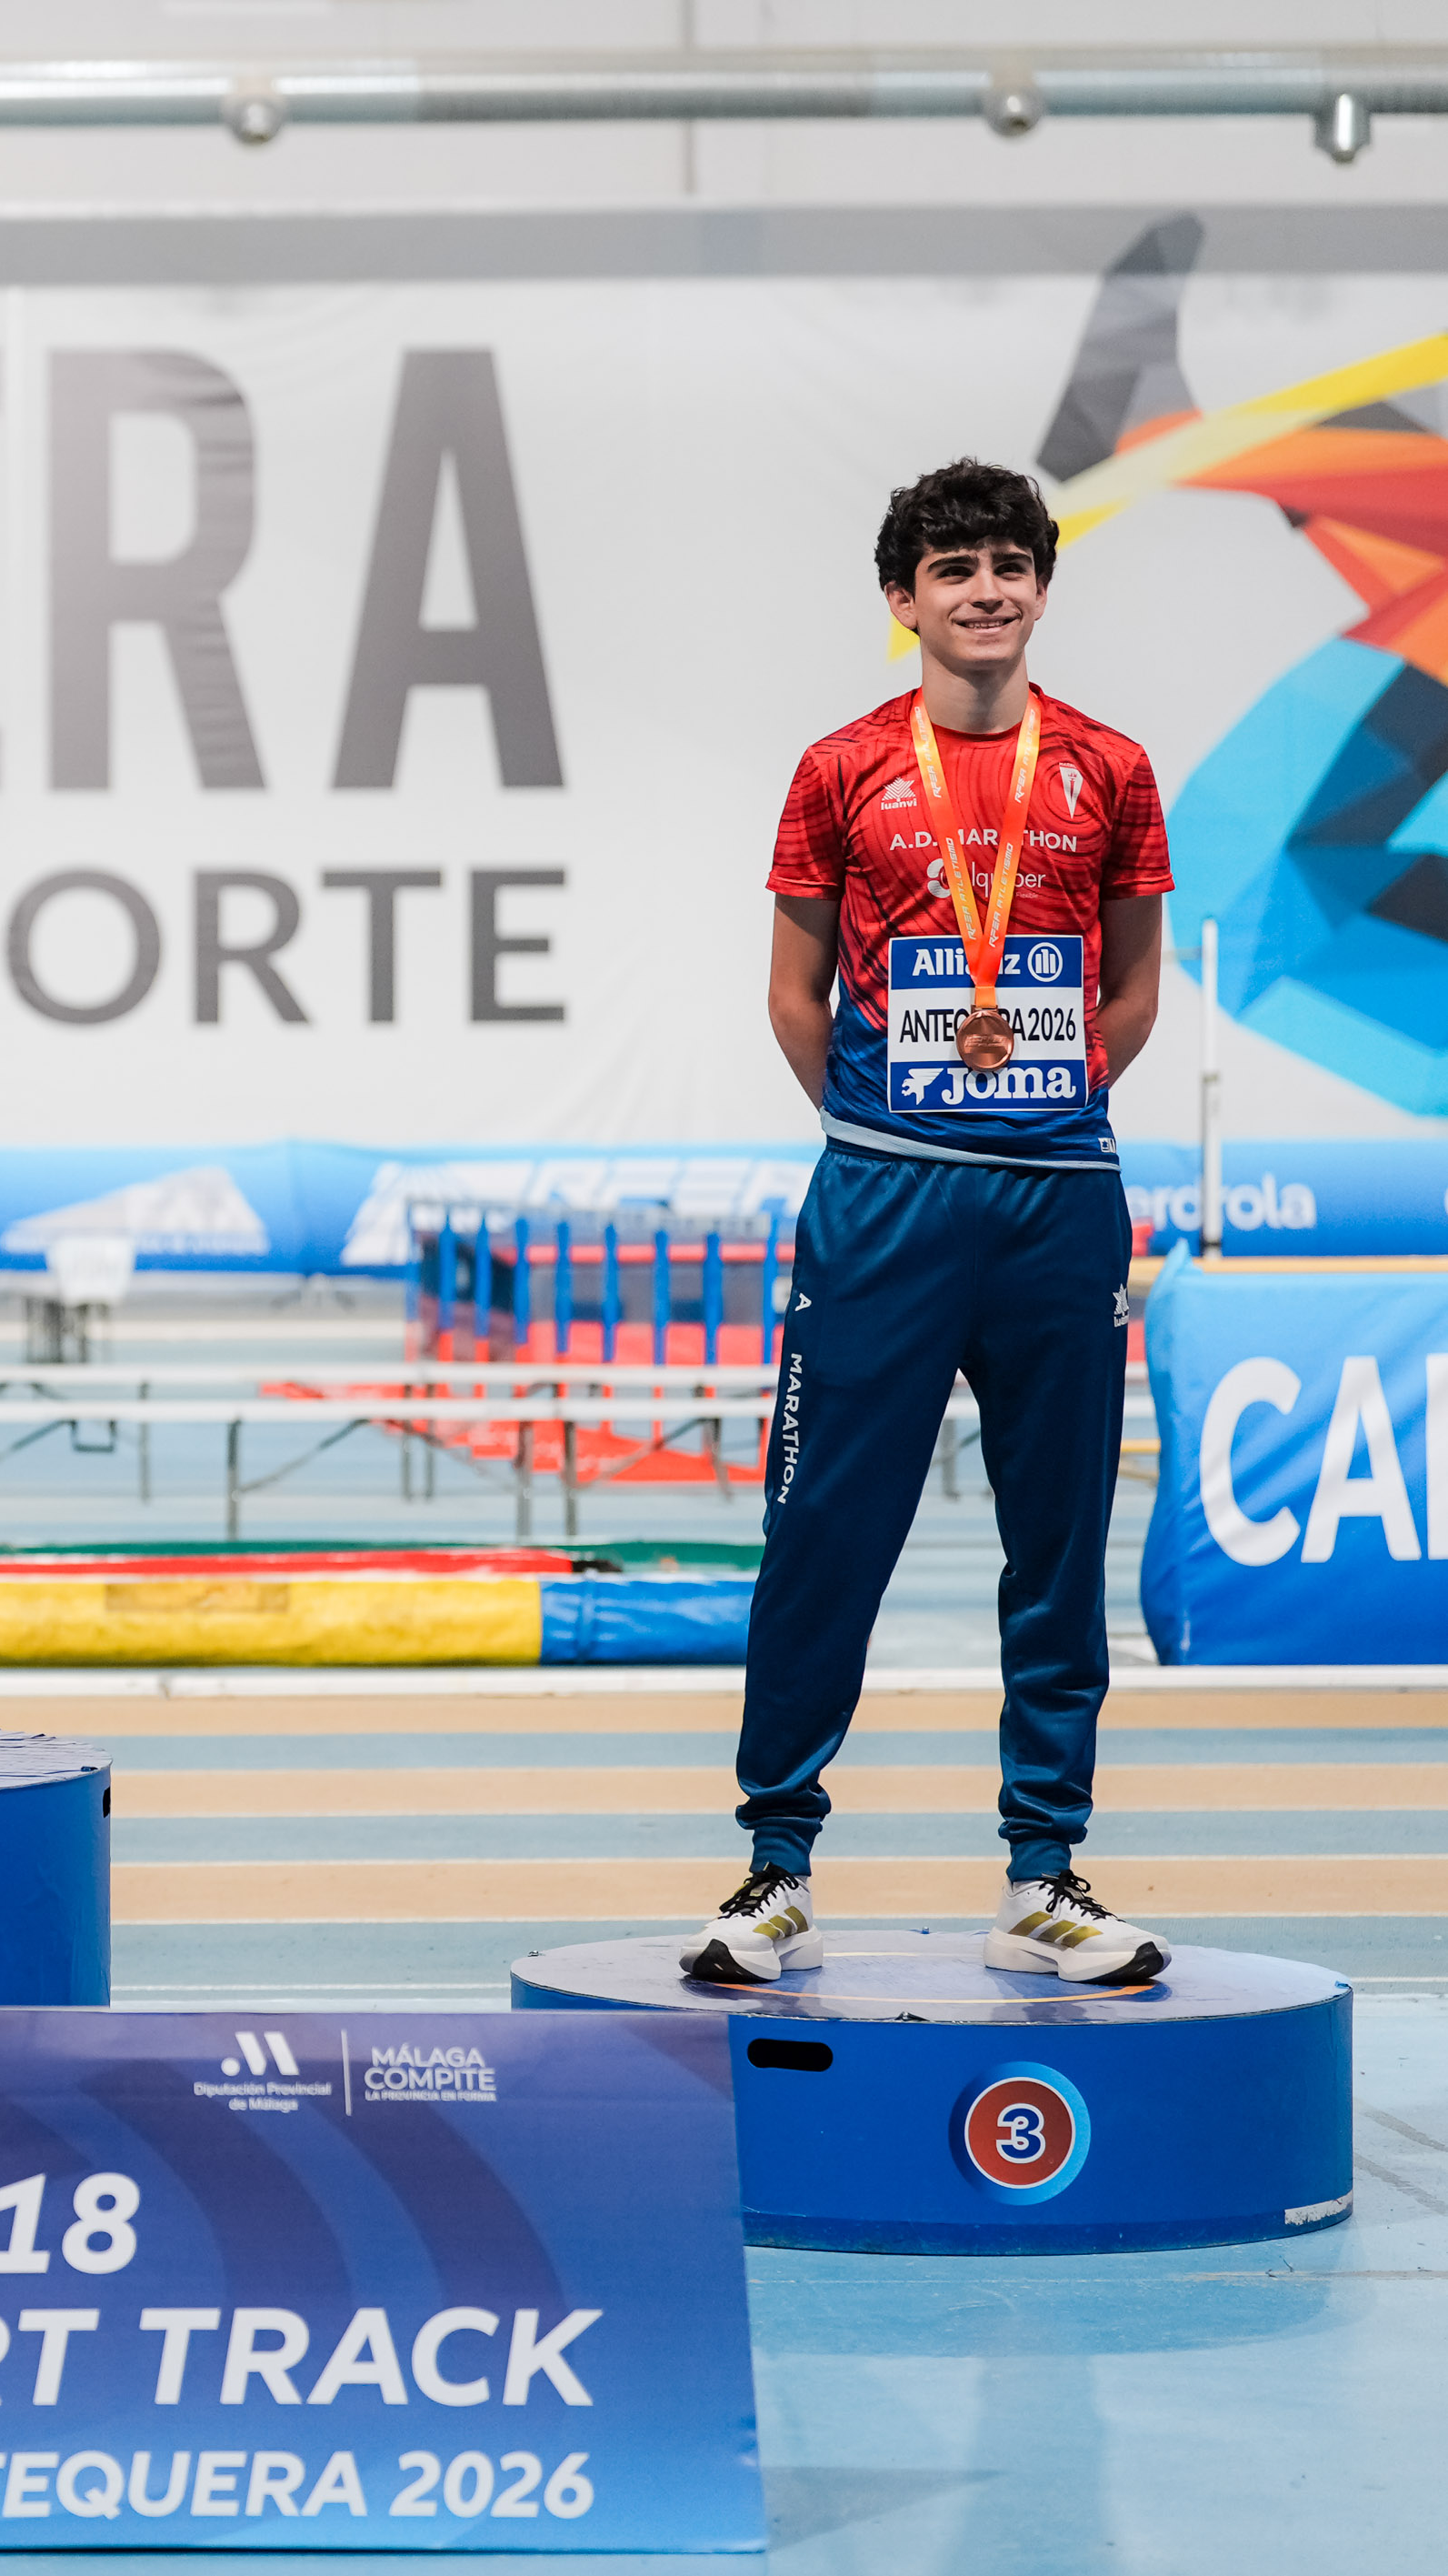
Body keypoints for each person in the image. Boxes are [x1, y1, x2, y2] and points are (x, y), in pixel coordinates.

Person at [685, 458, 1171, 1984]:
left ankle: (1043, 1874)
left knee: (1057, 1545)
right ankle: (774, 1867)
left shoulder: (1109, 767)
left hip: (1057, 1201)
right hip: (883, 1197)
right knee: (822, 1533)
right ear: (903, 599)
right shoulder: (838, 768)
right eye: (953, 567)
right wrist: (891, 1120)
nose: (985, 589)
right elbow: (793, 994)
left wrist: (1040, 1098)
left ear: (1041, 587)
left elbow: (1132, 987)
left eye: (1010, 564)